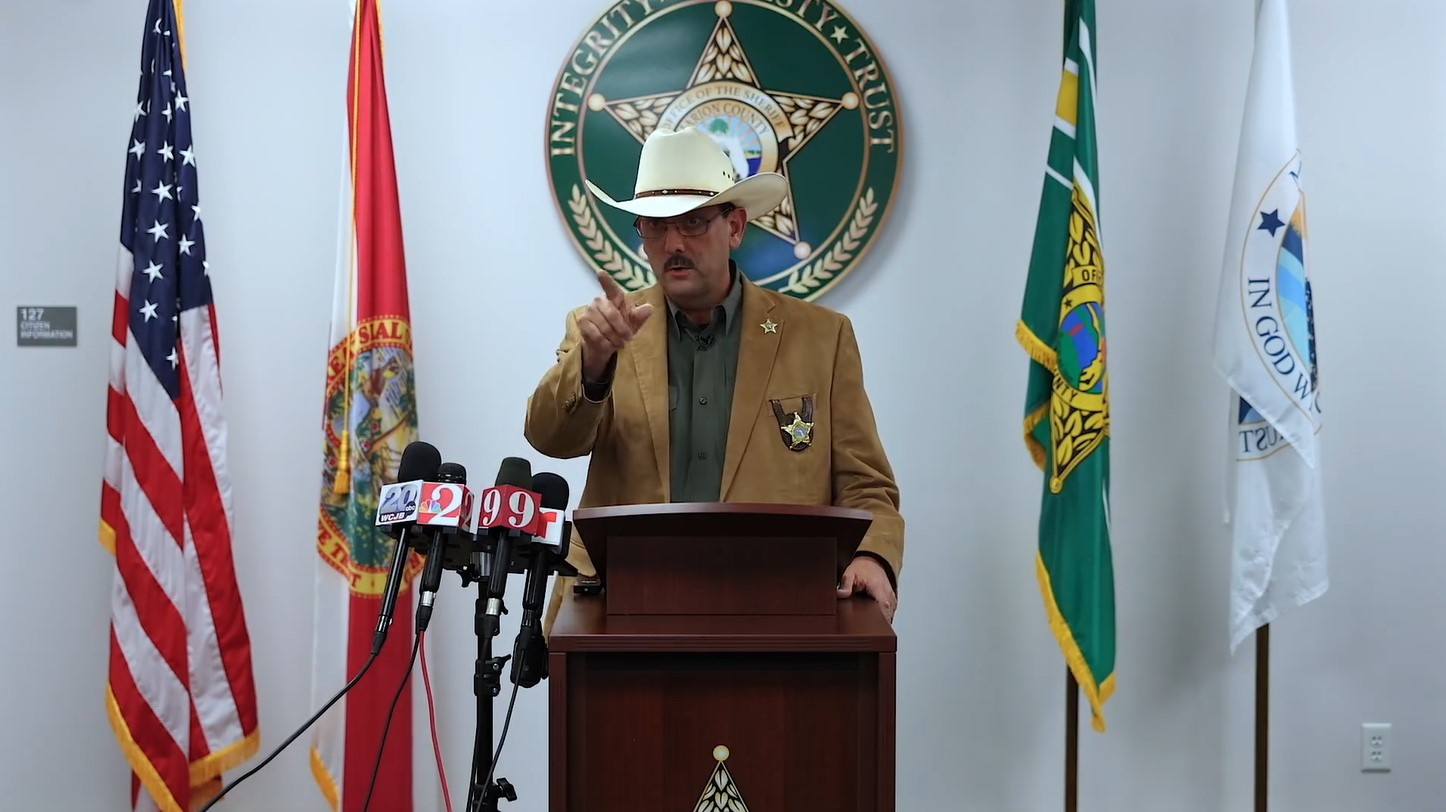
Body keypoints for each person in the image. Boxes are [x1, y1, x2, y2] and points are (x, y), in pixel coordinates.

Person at [525, 125, 904, 634]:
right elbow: (550, 438)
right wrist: (593, 363)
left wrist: (874, 557)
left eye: (695, 222)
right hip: (620, 617)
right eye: (655, 226)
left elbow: (867, 485)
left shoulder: (822, 339)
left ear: (737, 226)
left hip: (776, 616)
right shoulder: (601, 329)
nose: (673, 243)